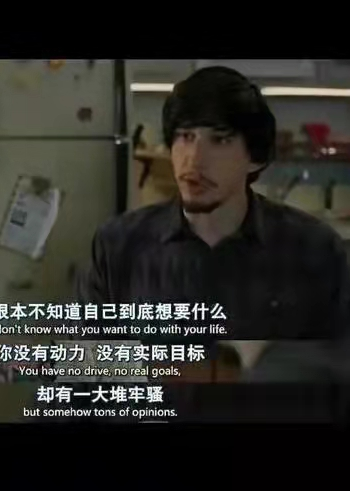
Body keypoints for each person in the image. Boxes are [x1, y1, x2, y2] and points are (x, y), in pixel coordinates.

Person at [77, 66, 350, 380]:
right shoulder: (118, 245)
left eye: (219, 140)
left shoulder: (313, 248)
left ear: (255, 158)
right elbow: (80, 368)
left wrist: (263, 362)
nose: (194, 160)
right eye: (186, 137)